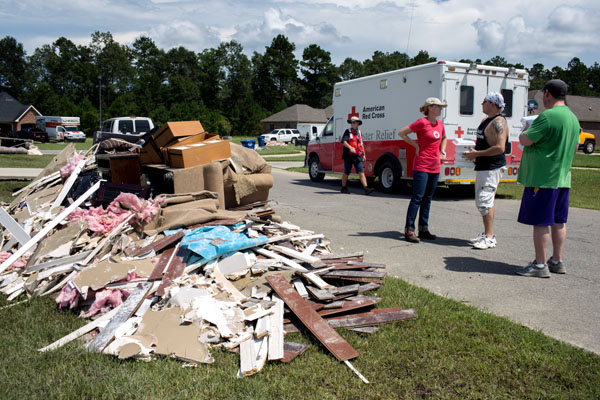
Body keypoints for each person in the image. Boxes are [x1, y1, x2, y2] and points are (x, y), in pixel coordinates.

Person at [515, 79, 579, 278]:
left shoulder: (547, 116)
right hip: (562, 178)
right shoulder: (573, 118)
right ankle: (557, 260)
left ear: (547, 93)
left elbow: (525, 140)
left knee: (541, 222)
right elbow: (576, 147)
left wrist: (525, 129)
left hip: (543, 178)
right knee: (559, 221)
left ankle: (540, 265)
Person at [463, 92, 508, 249]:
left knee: (485, 201)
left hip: (492, 167)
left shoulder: (499, 122)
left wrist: (477, 153)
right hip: (483, 166)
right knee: (482, 201)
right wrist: (473, 150)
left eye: (485, 101)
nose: (482, 104)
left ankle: (489, 237)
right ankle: (486, 233)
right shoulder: (486, 121)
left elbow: (500, 148)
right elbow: (485, 143)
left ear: (494, 104)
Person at [398, 97, 447, 243]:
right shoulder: (422, 122)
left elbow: (444, 137)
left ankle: (423, 228)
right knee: (417, 197)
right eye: (438, 106)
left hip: (434, 165)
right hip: (422, 165)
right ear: (430, 108)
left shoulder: (439, 123)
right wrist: (416, 145)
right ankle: (409, 230)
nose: (441, 109)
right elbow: (402, 133)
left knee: (428, 198)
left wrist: (442, 152)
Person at [340, 116, 374, 195]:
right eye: (351, 122)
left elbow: (361, 144)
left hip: (357, 155)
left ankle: (366, 189)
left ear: (358, 123)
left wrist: (364, 155)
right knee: (347, 172)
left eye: (354, 122)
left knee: (361, 172)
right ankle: (343, 187)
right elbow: (344, 142)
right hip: (348, 155)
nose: (352, 124)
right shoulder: (347, 131)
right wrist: (350, 147)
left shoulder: (359, 132)